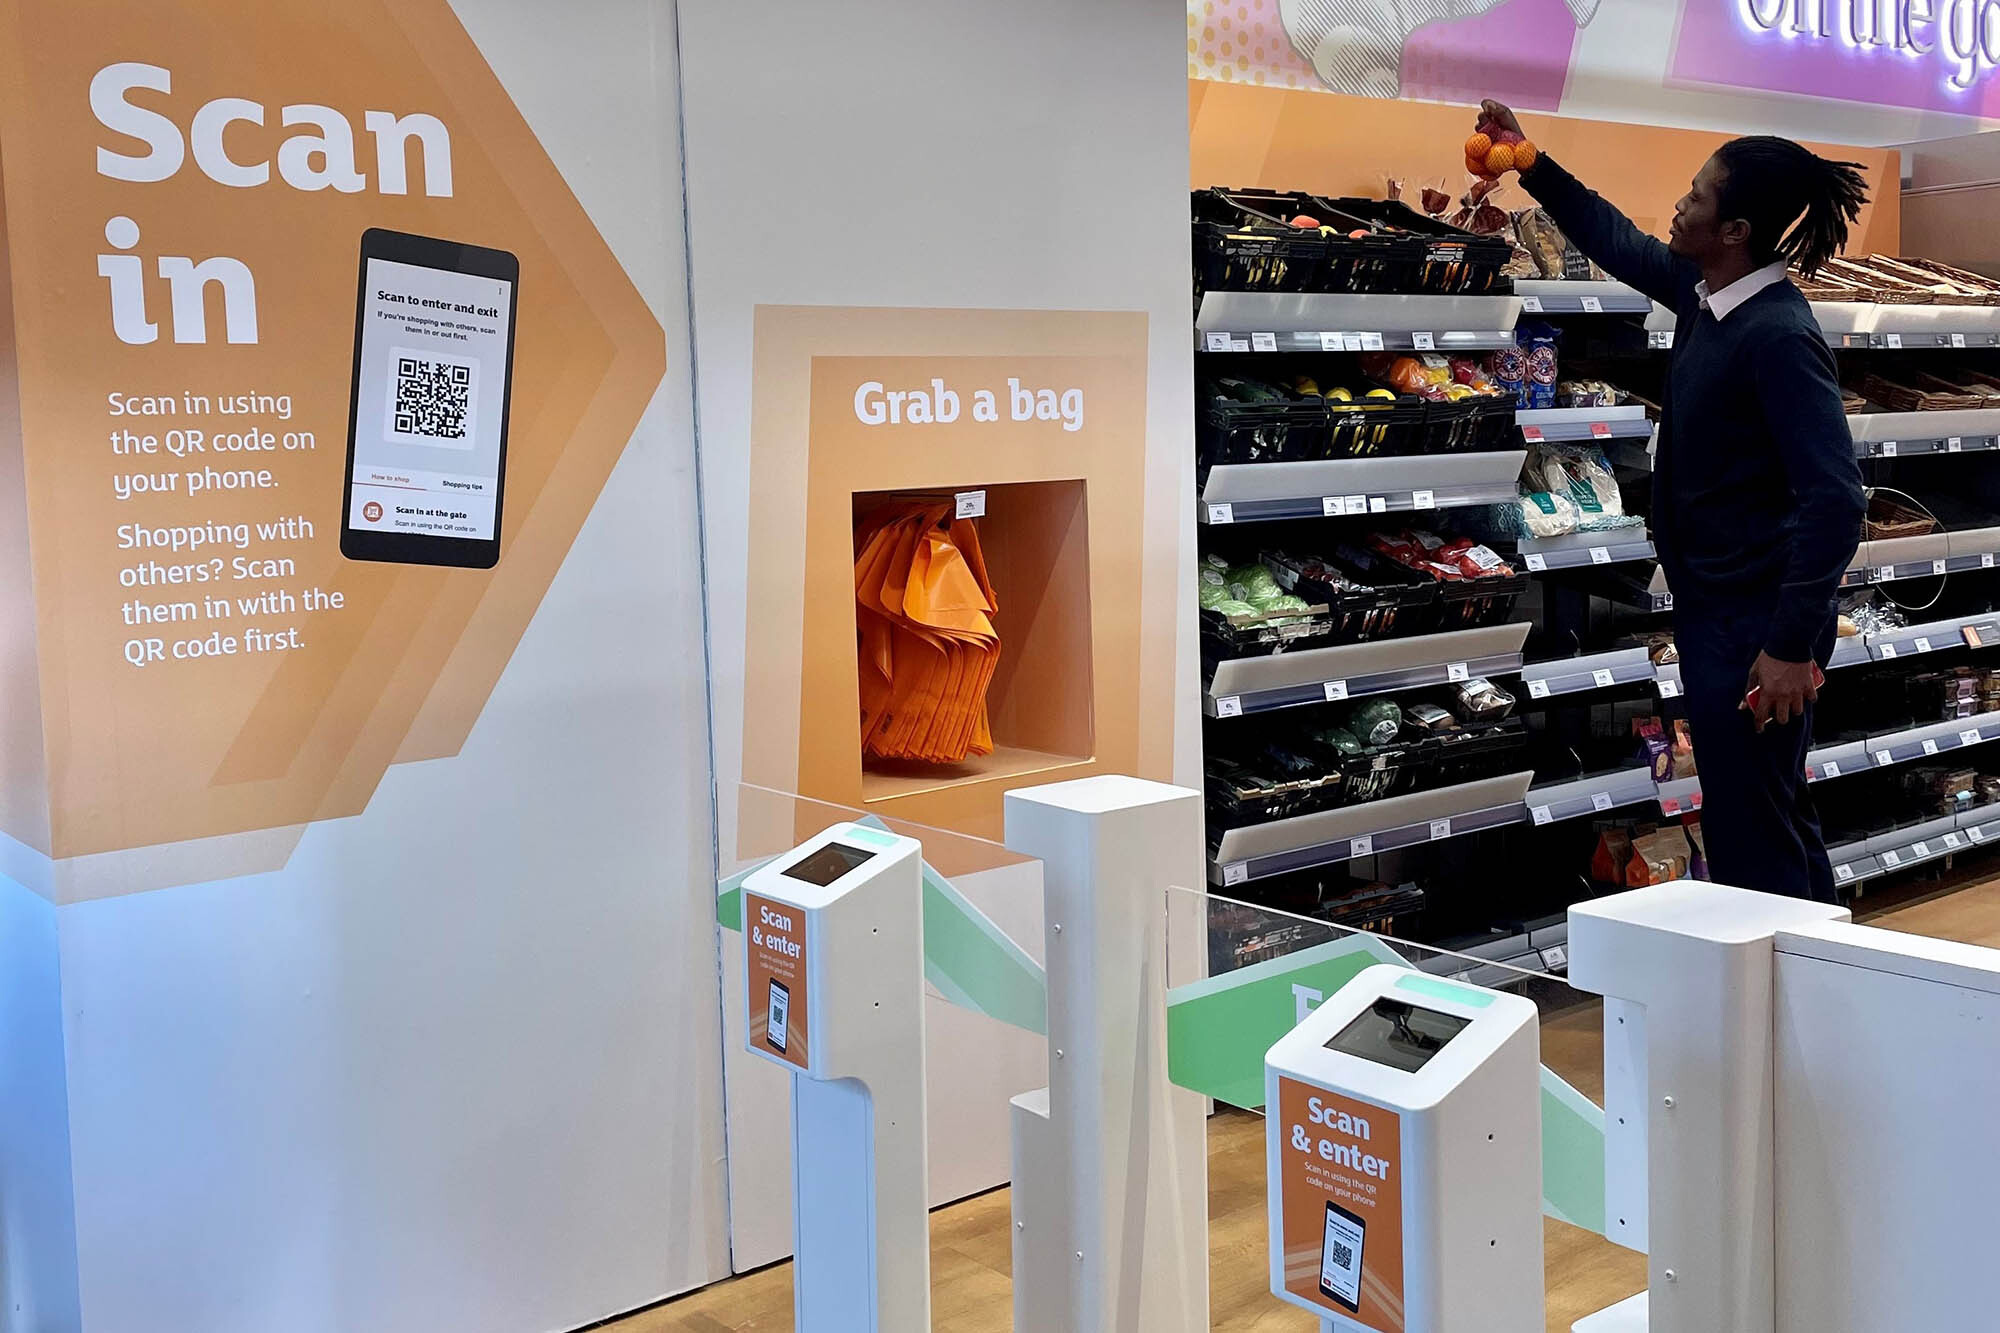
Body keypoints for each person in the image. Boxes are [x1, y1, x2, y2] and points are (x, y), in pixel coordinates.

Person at [1481, 100, 1868, 902]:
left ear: (1735, 230)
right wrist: (1531, 162)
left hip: (1756, 627)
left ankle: (1770, 999)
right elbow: (1618, 240)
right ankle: (1813, 980)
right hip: (1717, 610)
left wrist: (1791, 644)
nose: (1680, 206)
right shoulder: (1707, 296)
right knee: (1768, 807)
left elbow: (1836, 500)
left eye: (1697, 195)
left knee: (1749, 829)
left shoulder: (1777, 335)